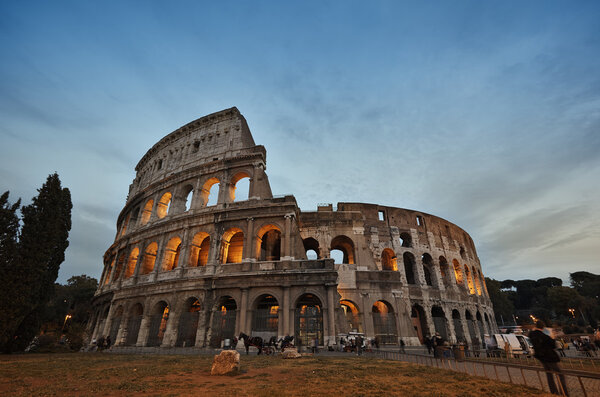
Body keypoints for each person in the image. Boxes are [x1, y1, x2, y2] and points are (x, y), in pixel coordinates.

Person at [529, 321, 569, 396]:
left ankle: (554, 392)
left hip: (541, 357)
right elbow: (553, 345)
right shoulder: (544, 336)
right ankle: (564, 393)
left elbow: (531, 335)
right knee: (560, 374)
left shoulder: (532, 334)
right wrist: (553, 337)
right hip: (549, 357)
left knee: (549, 374)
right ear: (543, 327)